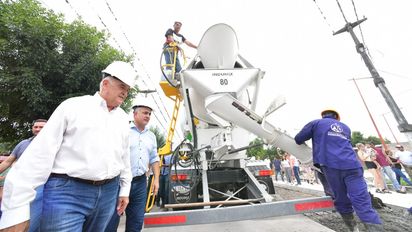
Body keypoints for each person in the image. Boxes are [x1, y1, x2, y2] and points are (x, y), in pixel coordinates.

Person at [0, 61, 135, 231]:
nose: (125, 92)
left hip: (108, 193)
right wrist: (16, 211)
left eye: (128, 89)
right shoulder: (73, 107)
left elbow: (124, 158)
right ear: (105, 84)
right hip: (67, 193)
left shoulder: (122, 119)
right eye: (122, 86)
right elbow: (39, 156)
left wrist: (124, 190)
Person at [295, 109, 383, 231]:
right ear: (337, 117)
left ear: (323, 116)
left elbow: (298, 138)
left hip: (331, 166)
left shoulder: (315, 123)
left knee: (341, 199)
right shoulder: (345, 127)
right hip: (353, 166)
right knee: (361, 198)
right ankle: (374, 228)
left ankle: (352, 228)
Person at [106, 104, 160, 232]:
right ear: (135, 114)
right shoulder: (123, 131)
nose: (147, 116)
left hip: (140, 182)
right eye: (145, 113)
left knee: (136, 221)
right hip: (118, 182)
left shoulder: (151, 136)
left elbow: (154, 159)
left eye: (149, 114)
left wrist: (156, 179)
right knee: (111, 220)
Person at [0, 119, 47, 231]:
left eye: (41, 127)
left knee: (34, 219)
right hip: (19, 186)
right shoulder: (23, 144)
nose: (38, 129)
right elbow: (8, 161)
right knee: (13, 217)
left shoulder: (54, 144)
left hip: (42, 186)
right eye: (36, 127)